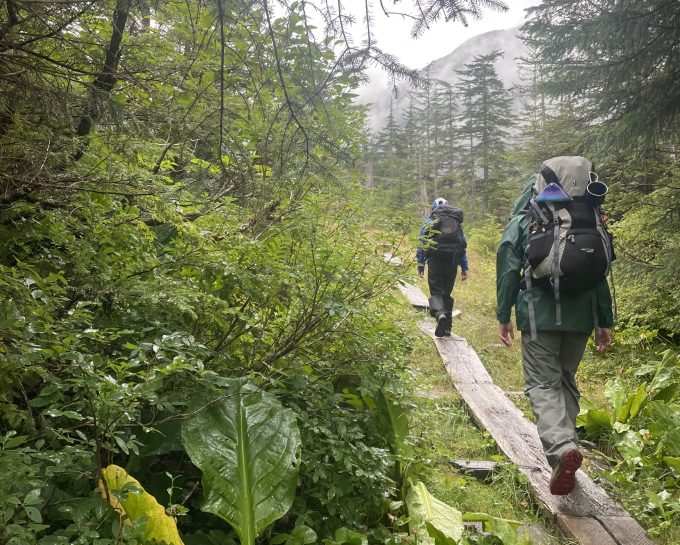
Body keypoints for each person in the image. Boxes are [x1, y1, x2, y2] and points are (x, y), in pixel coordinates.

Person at [496, 168, 613, 496]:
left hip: (539, 315)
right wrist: (606, 322)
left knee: (541, 384)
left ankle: (562, 450)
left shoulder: (527, 220)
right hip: (581, 318)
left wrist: (503, 315)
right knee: (564, 380)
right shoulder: (590, 219)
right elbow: (600, 273)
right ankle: (568, 447)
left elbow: (508, 268)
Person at [417, 198, 469, 338]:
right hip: (452, 262)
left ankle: (440, 315)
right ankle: (447, 329)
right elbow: (463, 244)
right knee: (446, 293)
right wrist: (464, 267)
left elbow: (422, 243)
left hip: (435, 261)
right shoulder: (456, 223)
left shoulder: (430, 221)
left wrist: (420, 265)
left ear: (434, 208)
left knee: (436, 292)